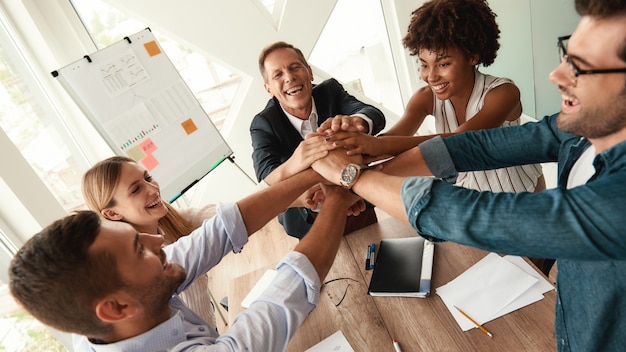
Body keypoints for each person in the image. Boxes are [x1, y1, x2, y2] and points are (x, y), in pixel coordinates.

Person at [311, 0, 626, 350]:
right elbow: (474, 148)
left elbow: (488, 216)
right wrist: (361, 161)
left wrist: (354, 178)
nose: (557, 75)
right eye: (566, 54)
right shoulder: (575, 131)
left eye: (581, 67)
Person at [9, 166, 361, 351]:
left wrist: (317, 173)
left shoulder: (117, 310)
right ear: (115, 309)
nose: (157, 241)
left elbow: (221, 230)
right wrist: (338, 198)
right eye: (138, 248)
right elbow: (283, 296)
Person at [321, 0, 544, 193]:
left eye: (444, 64)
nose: (431, 76)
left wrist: (377, 146)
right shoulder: (425, 98)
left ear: (473, 56)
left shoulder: (503, 93)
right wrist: (352, 146)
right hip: (474, 201)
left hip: (524, 195)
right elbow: (394, 138)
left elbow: (459, 142)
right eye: (424, 65)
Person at [250, 41, 386, 239]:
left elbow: (373, 114)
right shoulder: (263, 123)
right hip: (310, 219)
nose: (289, 77)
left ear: (310, 72)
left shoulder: (330, 91)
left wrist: (355, 122)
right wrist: (320, 184)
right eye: (278, 74)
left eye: (295, 67)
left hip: (358, 204)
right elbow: (266, 175)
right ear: (268, 88)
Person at [81, 156, 218, 328]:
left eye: (148, 178)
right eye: (136, 189)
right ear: (112, 214)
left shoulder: (175, 223)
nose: (153, 189)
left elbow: (230, 216)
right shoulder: (134, 268)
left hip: (210, 333)